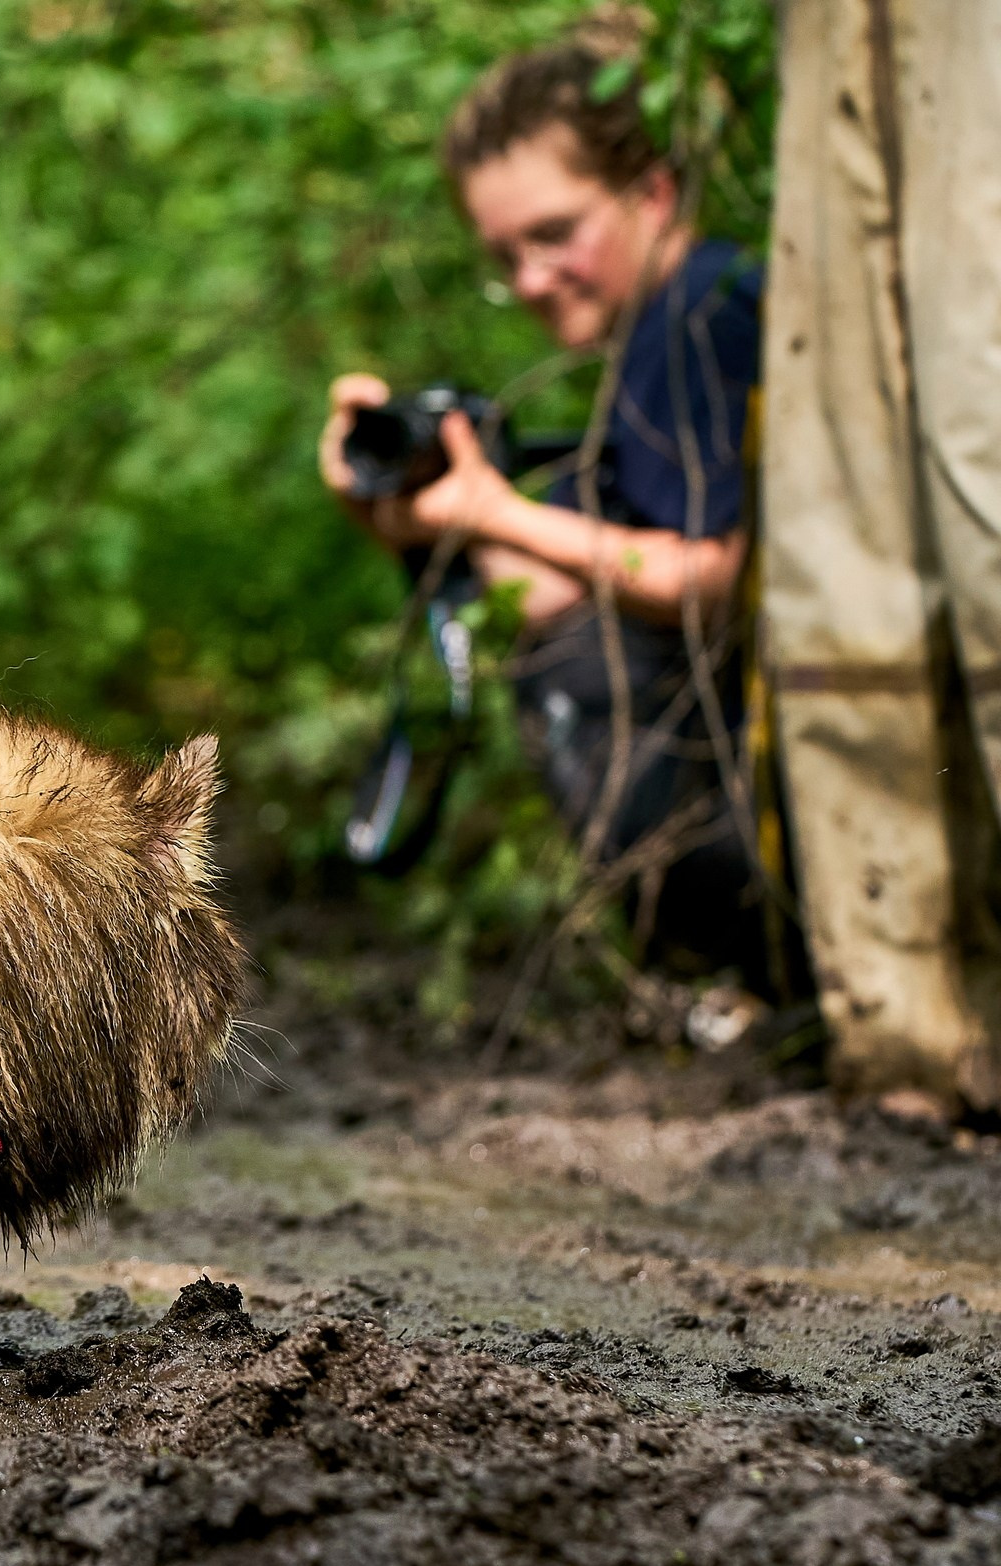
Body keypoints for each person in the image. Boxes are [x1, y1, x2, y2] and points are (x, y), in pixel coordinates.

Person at [315, 23, 787, 991]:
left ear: (653, 191)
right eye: (504, 255)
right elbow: (556, 585)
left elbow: (713, 575)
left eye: (555, 234)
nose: (531, 280)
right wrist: (408, 515)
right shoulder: (662, 326)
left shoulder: (702, 311)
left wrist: (493, 511)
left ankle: (758, 966)